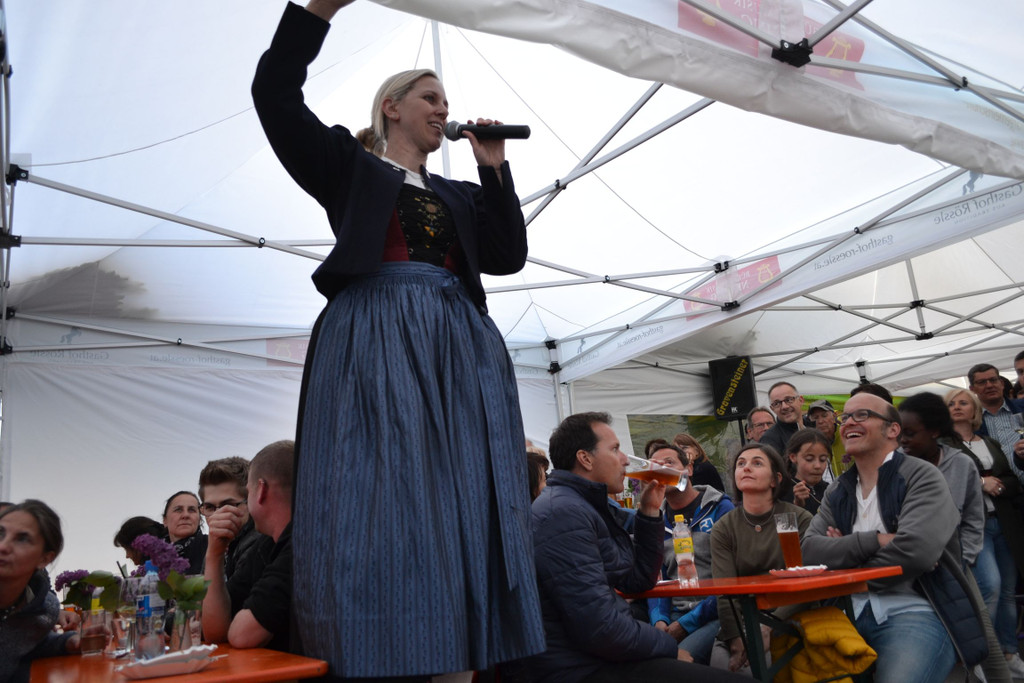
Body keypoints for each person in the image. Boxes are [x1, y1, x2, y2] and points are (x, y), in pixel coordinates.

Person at [251, 1, 544, 678]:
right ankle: (384, 642)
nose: (444, 109)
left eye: (446, 102)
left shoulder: (457, 192)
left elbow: (506, 256)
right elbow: (274, 95)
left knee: (462, 493)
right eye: (430, 98)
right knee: (382, 491)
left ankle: (461, 647)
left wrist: (493, 168)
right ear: (391, 108)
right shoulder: (350, 168)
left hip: (457, 343)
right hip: (378, 332)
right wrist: (316, 12)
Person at [527, 412, 746, 683]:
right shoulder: (563, 514)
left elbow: (637, 580)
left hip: (595, 657)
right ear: (585, 458)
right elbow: (600, 628)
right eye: (615, 449)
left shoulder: (583, 505)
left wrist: (650, 512)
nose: (625, 460)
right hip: (580, 667)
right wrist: (668, 646)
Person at [802, 392, 977, 683]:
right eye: (845, 417)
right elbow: (808, 551)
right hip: (843, 615)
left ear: (893, 429)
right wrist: (876, 540)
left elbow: (915, 552)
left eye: (862, 415)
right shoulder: (838, 490)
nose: (848, 423)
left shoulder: (921, 476)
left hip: (914, 610)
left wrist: (844, 559)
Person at [710, 443, 812, 673]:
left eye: (757, 463)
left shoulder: (800, 519)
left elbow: (807, 584)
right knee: (719, 671)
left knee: (752, 671)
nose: (746, 468)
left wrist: (770, 627)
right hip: (741, 622)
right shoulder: (723, 528)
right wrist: (735, 637)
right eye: (741, 464)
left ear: (775, 479)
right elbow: (724, 591)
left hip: (789, 618)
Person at [946, 388, 1024, 678]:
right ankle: (981, 655)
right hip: (972, 526)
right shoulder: (943, 446)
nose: (956, 407)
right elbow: (946, 480)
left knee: (1007, 591)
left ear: (975, 410)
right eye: (951, 404)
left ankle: (1009, 653)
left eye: (963, 402)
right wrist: (981, 482)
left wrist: (998, 485)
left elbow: (1011, 480)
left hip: (1002, 523)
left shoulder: (989, 442)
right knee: (989, 587)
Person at [202, 441, 294, 651]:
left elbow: (242, 635)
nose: (219, 515)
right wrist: (214, 555)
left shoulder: (300, 544)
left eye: (248, 492)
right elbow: (215, 632)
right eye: (209, 507)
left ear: (260, 490)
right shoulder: (265, 546)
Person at [647, 443, 734, 664]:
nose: (663, 469)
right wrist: (659, 620)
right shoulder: (654, 519)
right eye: (656, 466)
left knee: (676, 663)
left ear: (689, 469)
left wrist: (686, 624)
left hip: (718, 611)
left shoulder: (719, 508)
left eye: (669, 463)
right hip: (675, 612)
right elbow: (658, 579)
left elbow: (731, 578)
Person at [0, 500, 80, 682]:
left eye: (22, 539)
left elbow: (23, 644)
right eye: (0, 533)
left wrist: (67, 642)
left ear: (44, 559)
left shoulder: (42, 607)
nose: (3, 546)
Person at [198, 456, 262, 579]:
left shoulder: (259, 545)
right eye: (209, 507)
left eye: (228, 505)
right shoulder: (216, 545)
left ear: (250, 502)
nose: (218, 515)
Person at [780, 428, 831, 515]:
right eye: (809, 459)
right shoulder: (782, 492)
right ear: (793, 457)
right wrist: (798, 505)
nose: (817, 466)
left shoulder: (830, 491)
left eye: (823, 459)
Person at [161, 491, 207, 575]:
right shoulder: (156, 555)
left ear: (200, 519)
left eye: (191, 510)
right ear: (165, 520)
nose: (185, 515)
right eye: (178, 510)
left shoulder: (214, 546)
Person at [759, 382, 804, 456]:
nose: (784, 407)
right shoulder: (770, 439)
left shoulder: (815, 426)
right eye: (777, 403)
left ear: (801, 400)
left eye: (788, 400)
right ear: (772, 409)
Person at [806, 399, 845, 480]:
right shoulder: (809, 445)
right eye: (815, 418)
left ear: (834, 416)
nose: (820, 421)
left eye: (824, 416)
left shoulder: (847, 436)